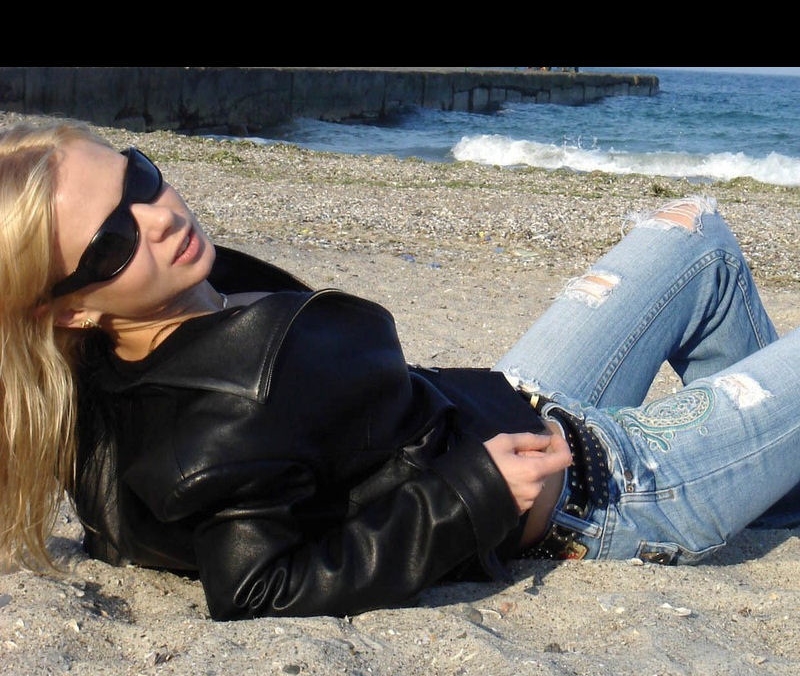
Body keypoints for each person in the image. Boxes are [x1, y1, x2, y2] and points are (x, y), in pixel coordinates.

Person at [0, 120, 797, 621]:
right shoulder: (214, 428)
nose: (160, 217)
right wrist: (471, 495)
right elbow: (253, 586)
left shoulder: (141, 330)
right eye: (112, 244)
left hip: (505, 399)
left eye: (140, 178)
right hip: (602, 487)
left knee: (693, 233)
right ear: (67, 310)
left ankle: (772, 480)